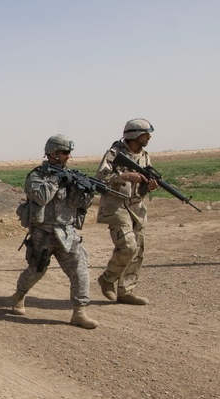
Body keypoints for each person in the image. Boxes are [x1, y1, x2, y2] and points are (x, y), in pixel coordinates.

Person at [10, 134, 98, 329]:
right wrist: (55, 179)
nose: (68, 156)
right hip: (43, 233)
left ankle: (79, 311)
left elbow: (80, 205)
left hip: (67, 233)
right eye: (65, 152)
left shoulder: (71, 176)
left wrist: (86, 191)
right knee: (36, 272)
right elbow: (41, 197)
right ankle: (19, 295)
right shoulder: (36, 176)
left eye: (69, 153)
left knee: (80, 270)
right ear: (52, 153)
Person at [94, 118, 159, 305]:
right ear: (135, 135)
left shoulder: (145, 156)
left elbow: (145, 184)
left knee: (137, 250)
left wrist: (150, 186)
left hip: (137, 207)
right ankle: (107, 278)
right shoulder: (114, 153)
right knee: (128, 245)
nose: (149, 137)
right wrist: (124, 176)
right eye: (146, 134)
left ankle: (126, 291)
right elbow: (100, 177)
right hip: (117, 206)